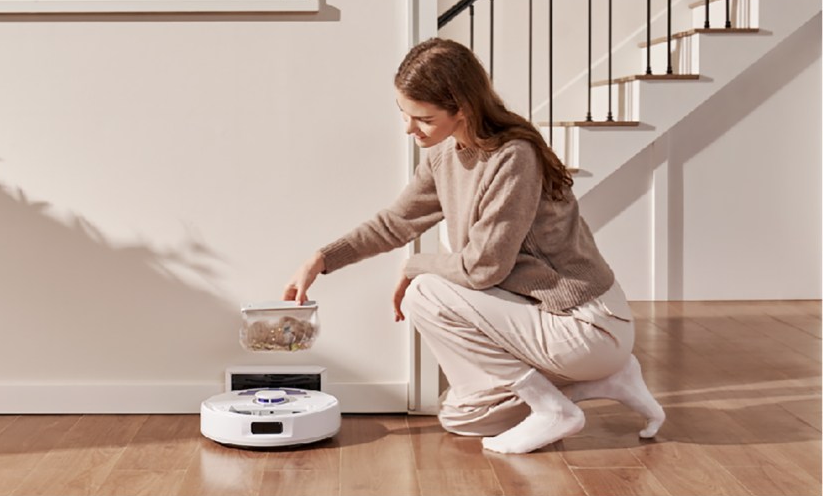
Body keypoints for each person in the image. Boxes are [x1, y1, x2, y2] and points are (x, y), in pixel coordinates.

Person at [282, 38, 665, 454]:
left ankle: (560, 406)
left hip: (584, 322)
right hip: (546, 322)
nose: (410, 129)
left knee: (424, 292)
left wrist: (415, 268)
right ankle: (604, 380)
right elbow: (397, 221)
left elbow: (485, 269)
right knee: (462, 418)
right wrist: (321, 259)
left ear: (461, 109)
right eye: (405, 115)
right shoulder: (443, 153)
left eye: (423, 119)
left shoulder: (513, 156)